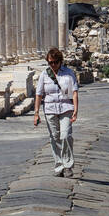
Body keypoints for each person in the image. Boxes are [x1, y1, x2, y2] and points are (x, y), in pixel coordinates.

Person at [33, 47, 80, 177]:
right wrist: (36, 113)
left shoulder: (69, 73)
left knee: (65, 136)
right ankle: (59, 166)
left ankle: (68, 165)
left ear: (60, 61)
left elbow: (75, 92)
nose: (53, 65)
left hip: (66, 107)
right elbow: (39, 94)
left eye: (55, 62)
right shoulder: (44, 74)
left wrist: (76, 109)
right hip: (50, 109)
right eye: (50, 62)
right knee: (54, 137)